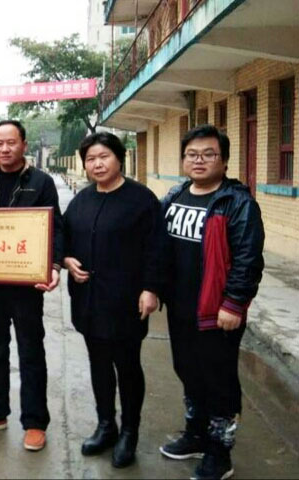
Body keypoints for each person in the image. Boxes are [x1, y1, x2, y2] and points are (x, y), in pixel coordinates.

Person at [159, 125, 264, 480]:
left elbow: (248, 259)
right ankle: (196, 434)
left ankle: (220, 453)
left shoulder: (237, 203)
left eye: (208, 154)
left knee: (219, 381)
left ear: (224, 160)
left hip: (216, 312)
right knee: (188, 371)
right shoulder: (175, 196)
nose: (199, 160)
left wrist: (234, 303)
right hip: (180, 308)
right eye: (192, 154)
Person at [62, 132, 162, 468]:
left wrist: (151, 288)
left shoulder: (141, 200)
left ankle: (129, 432)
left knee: (128, 366)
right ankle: (106, 425)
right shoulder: (82, 199)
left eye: (104, 156)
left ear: (119, 158)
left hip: (126, 301)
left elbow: (157, 249)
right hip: (89, 299)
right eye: (90, 159)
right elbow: (63, 237)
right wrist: (65, 259)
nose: (97, 164)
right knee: (99, 364)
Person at [0, 120, 63, 452]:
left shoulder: (41, 182)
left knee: (30, 350)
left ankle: (35, 422)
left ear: (24, 144)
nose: (5, 148)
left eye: (11, 142)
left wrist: (54, 266)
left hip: (26, 284)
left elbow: (56, 227)